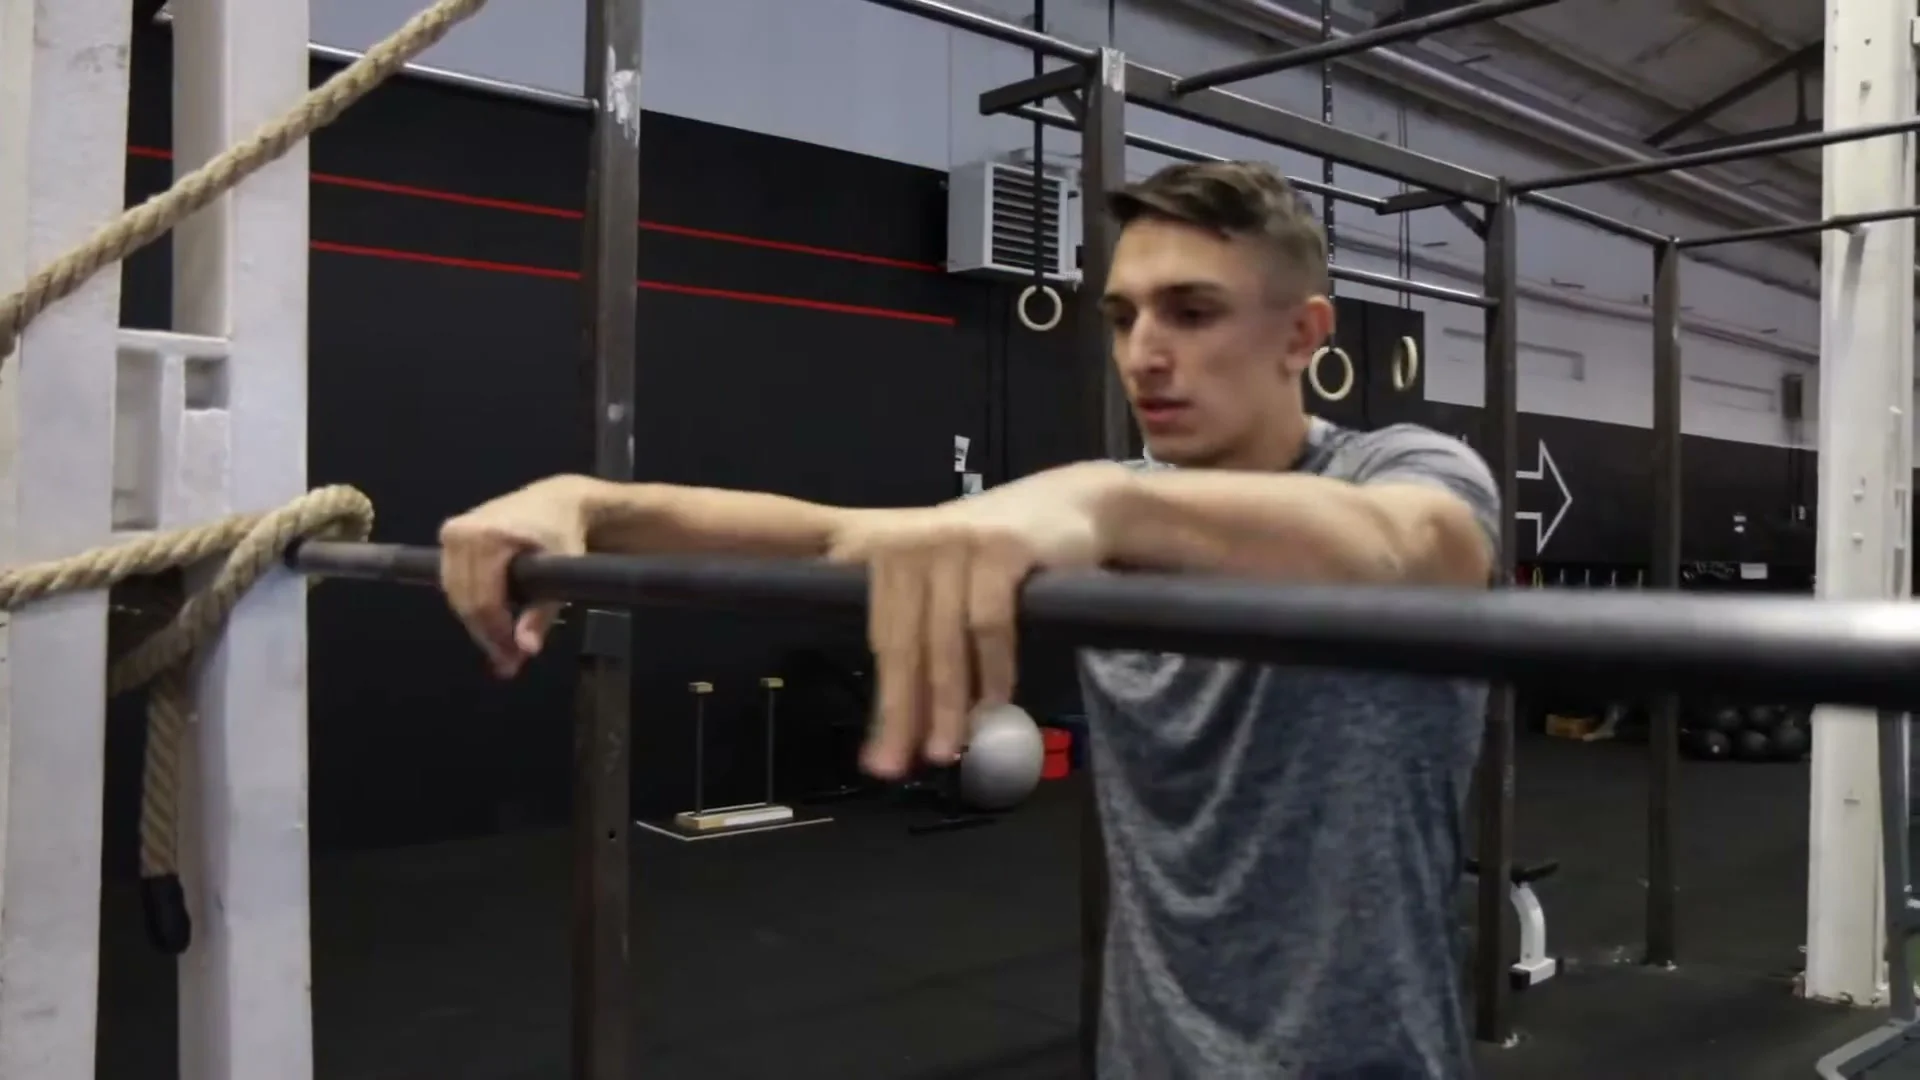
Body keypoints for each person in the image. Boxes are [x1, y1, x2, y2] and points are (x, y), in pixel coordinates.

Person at [436, 160, 1499, 1079]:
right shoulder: (1100, 507)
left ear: (1303, 335)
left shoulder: (1394, 468)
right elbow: (829, 539)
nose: (1144, 354)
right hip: (1150, 1054)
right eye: (1124, 317)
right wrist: (589, 503)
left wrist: (1098, 501)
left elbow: (1426, 549)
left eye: (1193, 311)